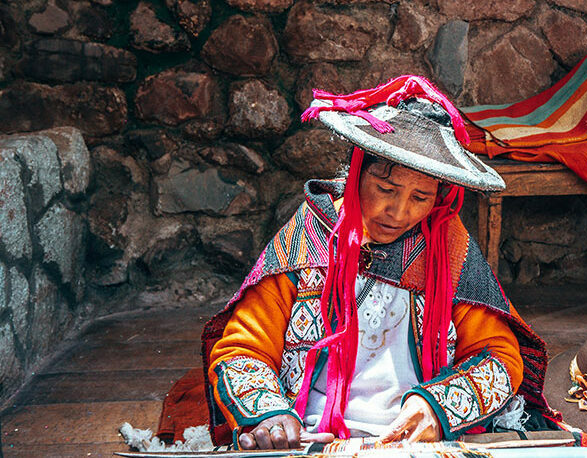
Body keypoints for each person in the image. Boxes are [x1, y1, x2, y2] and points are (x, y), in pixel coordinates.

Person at [200, 75, 554, 450]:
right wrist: (270, 415)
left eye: (420, 197)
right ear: (357, 174)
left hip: (418, 441)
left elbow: (499, 360)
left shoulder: (448, 249)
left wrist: (436, 408)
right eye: (386, 189)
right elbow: (243, 348)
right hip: (310, 434)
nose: (399, 212)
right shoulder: (310, 236)